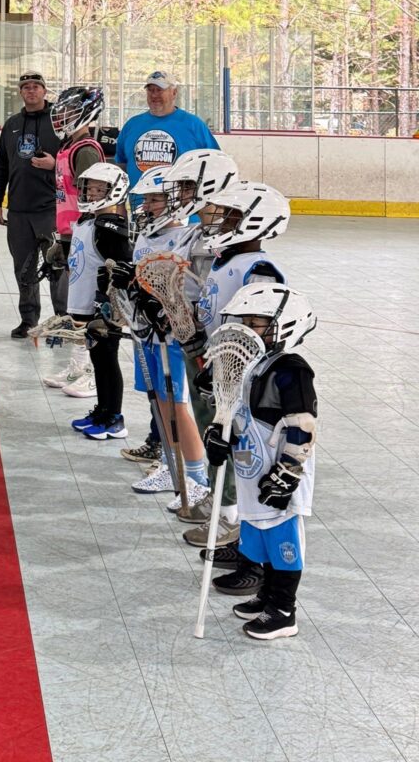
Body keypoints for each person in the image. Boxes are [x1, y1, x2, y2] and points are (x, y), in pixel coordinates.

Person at [179, 180, 291, 598]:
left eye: (230, 215)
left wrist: (230, 369)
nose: (218, 221)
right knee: (229, 452)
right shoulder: (229, 259)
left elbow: (257, 329)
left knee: (249, 463)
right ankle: (244, 542)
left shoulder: (257, 268)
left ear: (254, 222)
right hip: (221, 372)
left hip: (244, 383)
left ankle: (256, 561)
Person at [203, 283, 318, 640]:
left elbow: (302, 426)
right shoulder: (250, 364)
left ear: (286, 324)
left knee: (284, 544)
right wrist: (221, 436)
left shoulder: (291, 369)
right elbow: (236, 413)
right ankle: (266, 595)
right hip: (251, 471)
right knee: (257, 540)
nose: (249, 328)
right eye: (247, 320)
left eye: (258, 321)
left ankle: (284, 611)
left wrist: (287, 472)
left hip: (277, 475)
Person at [116, 166, 209, 508]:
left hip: (174, 338)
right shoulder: (143, 235)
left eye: (157, 198)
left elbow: (196, 293)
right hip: (147, 334)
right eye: (146, 199)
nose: (149, 206)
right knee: (160, 403)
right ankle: (174, 467)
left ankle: (198, 477)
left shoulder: (190, 237)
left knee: (179, 404)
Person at [41, 86, 106, 392]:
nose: (63, 117)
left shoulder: (86, 150)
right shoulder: (69, 146)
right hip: (71, 233)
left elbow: (95, 197)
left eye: (69, 112)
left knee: (87, 308)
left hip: (85, 234)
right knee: (76, 308)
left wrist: (82, 238)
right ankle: (76, 368)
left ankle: (92, 371)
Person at [0, 72, 63, 339]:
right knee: (24, 268)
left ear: (44, 91)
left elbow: (74, 160)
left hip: (51, 210)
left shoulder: (59, 123)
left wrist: (55, 164)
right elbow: (1, 165)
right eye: (26, 87)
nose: (31, 91)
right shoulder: (12, 124)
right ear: (21, 93)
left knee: (57, 267)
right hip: (19, 211)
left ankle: (62, 320)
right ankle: (28, 319)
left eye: (36, 87)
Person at [64, 162, 131, 440]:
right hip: (86, 304)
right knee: (97, 357)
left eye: (98, 189)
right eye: (89, 188)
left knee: (106, 359)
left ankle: (113, 417)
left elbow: (121, 268)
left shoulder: (111, 228)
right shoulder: (88, 220)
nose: (91, 193)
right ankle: (102, 409)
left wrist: (106, 306)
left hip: (103, 308)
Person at [114, 71, 220, 192]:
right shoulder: (131, 125)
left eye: (159, 90)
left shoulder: (194, 125)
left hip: (182, 208)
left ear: (174, 93)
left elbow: (215, 163)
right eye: (151, 90)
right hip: (139, 206)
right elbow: (122, 166)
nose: (154, 95)